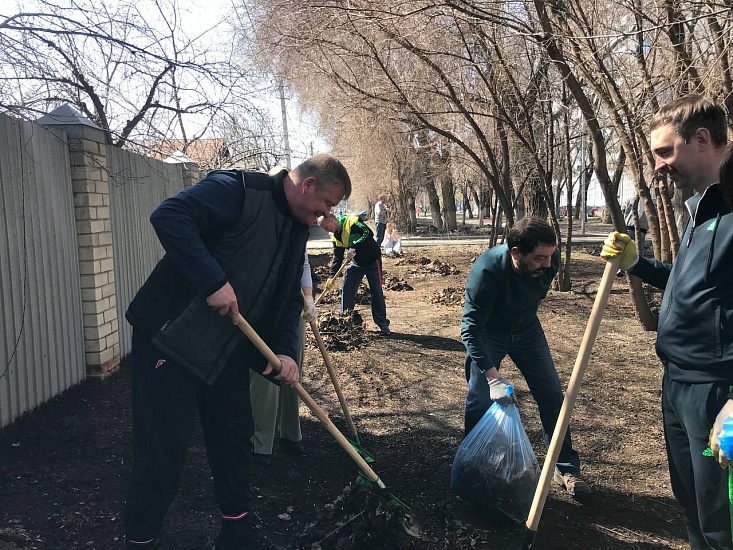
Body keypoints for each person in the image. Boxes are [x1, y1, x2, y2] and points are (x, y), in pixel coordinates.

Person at [122, 155, 350, 550]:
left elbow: (282, 300)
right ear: (308, 184)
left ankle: (237, 535)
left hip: (225, 351)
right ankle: (140, 539)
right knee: (163, 451)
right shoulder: (240, 190)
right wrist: (212, 281)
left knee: (234, 442)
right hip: (170, 340)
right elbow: (169, 216)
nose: (326, 215)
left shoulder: (297, 229)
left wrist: (283, 352)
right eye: (327, 204)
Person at [601, 95, 732, 550]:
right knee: (692, 504)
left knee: (722, 518)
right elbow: (691, 285)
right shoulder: (700, 209)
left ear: (701, 140)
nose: (657, 165)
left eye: (664, 152)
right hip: (677, 384)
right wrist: (638, 265)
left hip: (718, 392)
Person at [461, 217, 591, 496]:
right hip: (489, 332)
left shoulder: (549, 261)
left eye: (549, 256)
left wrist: (520, 319)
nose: (548, 264)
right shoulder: (488, 271)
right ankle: (473, 466)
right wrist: (493, 378)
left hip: (527, 329)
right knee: (480, 398)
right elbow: (470, 329)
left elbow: (532, 291)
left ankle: (565, 467)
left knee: (552, 396)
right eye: (539, 258)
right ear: (516, 253)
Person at [249, 253, 316, 465]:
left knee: (292, 368)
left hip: (293, 303)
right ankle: (262, 444)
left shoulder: (299, 226)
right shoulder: (265, 224)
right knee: (265, 372)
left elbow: (302, 262)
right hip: (263, 304)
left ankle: (290, 434)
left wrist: (308, 298)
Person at [319, 213, 391, 335]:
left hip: (372, 260)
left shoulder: (352, 221)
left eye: (326, 228)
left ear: (331, 221)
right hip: (356, 263)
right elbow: (337, 258)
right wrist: (331, 277)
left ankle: (382, 323)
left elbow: (367, 233)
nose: (327, 231)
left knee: (376, 290)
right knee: (347, 288)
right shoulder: (336, 237)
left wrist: (354, 246)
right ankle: (346, 319)